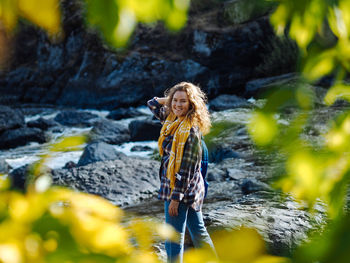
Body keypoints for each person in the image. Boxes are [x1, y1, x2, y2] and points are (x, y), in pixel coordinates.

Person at [147, 82, 216, 263]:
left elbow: (187, 169)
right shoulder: (173, 120)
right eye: (175, 101)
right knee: (198, 230)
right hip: (190, 188)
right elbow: (152, 103)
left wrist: (175, 199)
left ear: (192, 104)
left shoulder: (191, 130)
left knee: (173, 237)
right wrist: (169, 100)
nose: (178, 105)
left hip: (180, 189)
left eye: (183, 101)